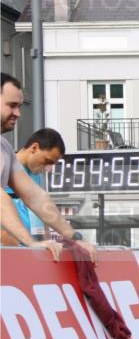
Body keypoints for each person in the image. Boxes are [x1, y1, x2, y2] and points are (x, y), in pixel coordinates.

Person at [1, 73, 95, 262]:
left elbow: (35, 196)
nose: (18, 113)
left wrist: (75, 238)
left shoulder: (5, 148)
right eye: (12, 105)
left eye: (19, 106)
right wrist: (29, 242)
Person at [1, 128, 66, 246]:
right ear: (34, 148)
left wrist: (46, 241)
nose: (48, 169)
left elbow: (39, 211)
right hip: (10, 248)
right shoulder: (5, 167)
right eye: (47, 161)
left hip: (31, 248)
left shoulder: (36, 175)